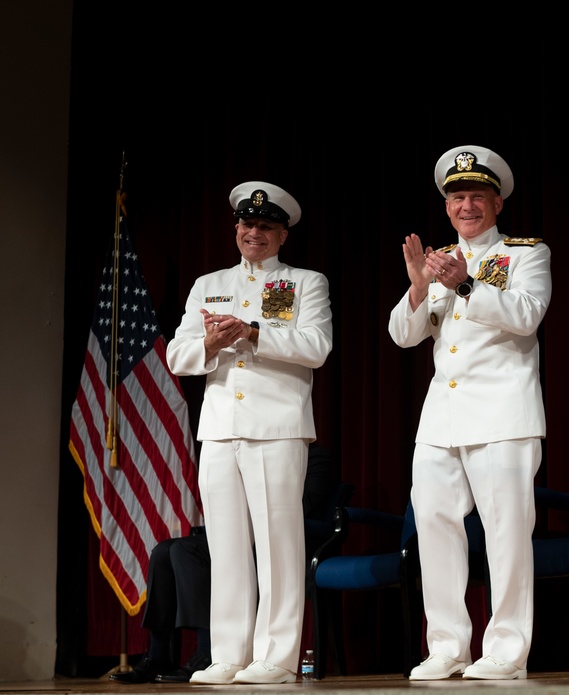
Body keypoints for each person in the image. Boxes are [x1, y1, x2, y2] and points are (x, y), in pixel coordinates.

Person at [388, 146, 551, 680]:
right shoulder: (435, 263)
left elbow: (526, 316)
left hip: (504, 414)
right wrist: (419, 284)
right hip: (442, 418)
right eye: (457, 196)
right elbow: (403, 335)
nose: (467, 205)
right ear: (447, 206)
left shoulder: (526, 253)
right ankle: (447, 645)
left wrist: (464, 282)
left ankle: (505, 647)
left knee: (506, 533)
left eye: (477, 196)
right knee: (433, 527)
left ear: (497, 202)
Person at [165, 181, 334, 684]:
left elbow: (316, 346)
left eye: (264, 226)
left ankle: (277, 658)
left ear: (282, 235)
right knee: (226, 544)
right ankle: (229, 655)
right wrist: (211, 345)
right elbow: (178, 355)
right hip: (219, 429)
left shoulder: (305, 282)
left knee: (279, 544)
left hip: (277, 428)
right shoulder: (208, 283)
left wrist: (252, 332)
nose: (252, 233)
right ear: (236, 228)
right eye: (246, 224)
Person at [108, 443, 341, 684]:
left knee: (183, 551)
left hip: (274, 538)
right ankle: (158, 655)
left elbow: (301, 507)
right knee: (162, 551)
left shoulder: (312, 457)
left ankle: (207, 652)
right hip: (237, 532)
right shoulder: (242, 452)